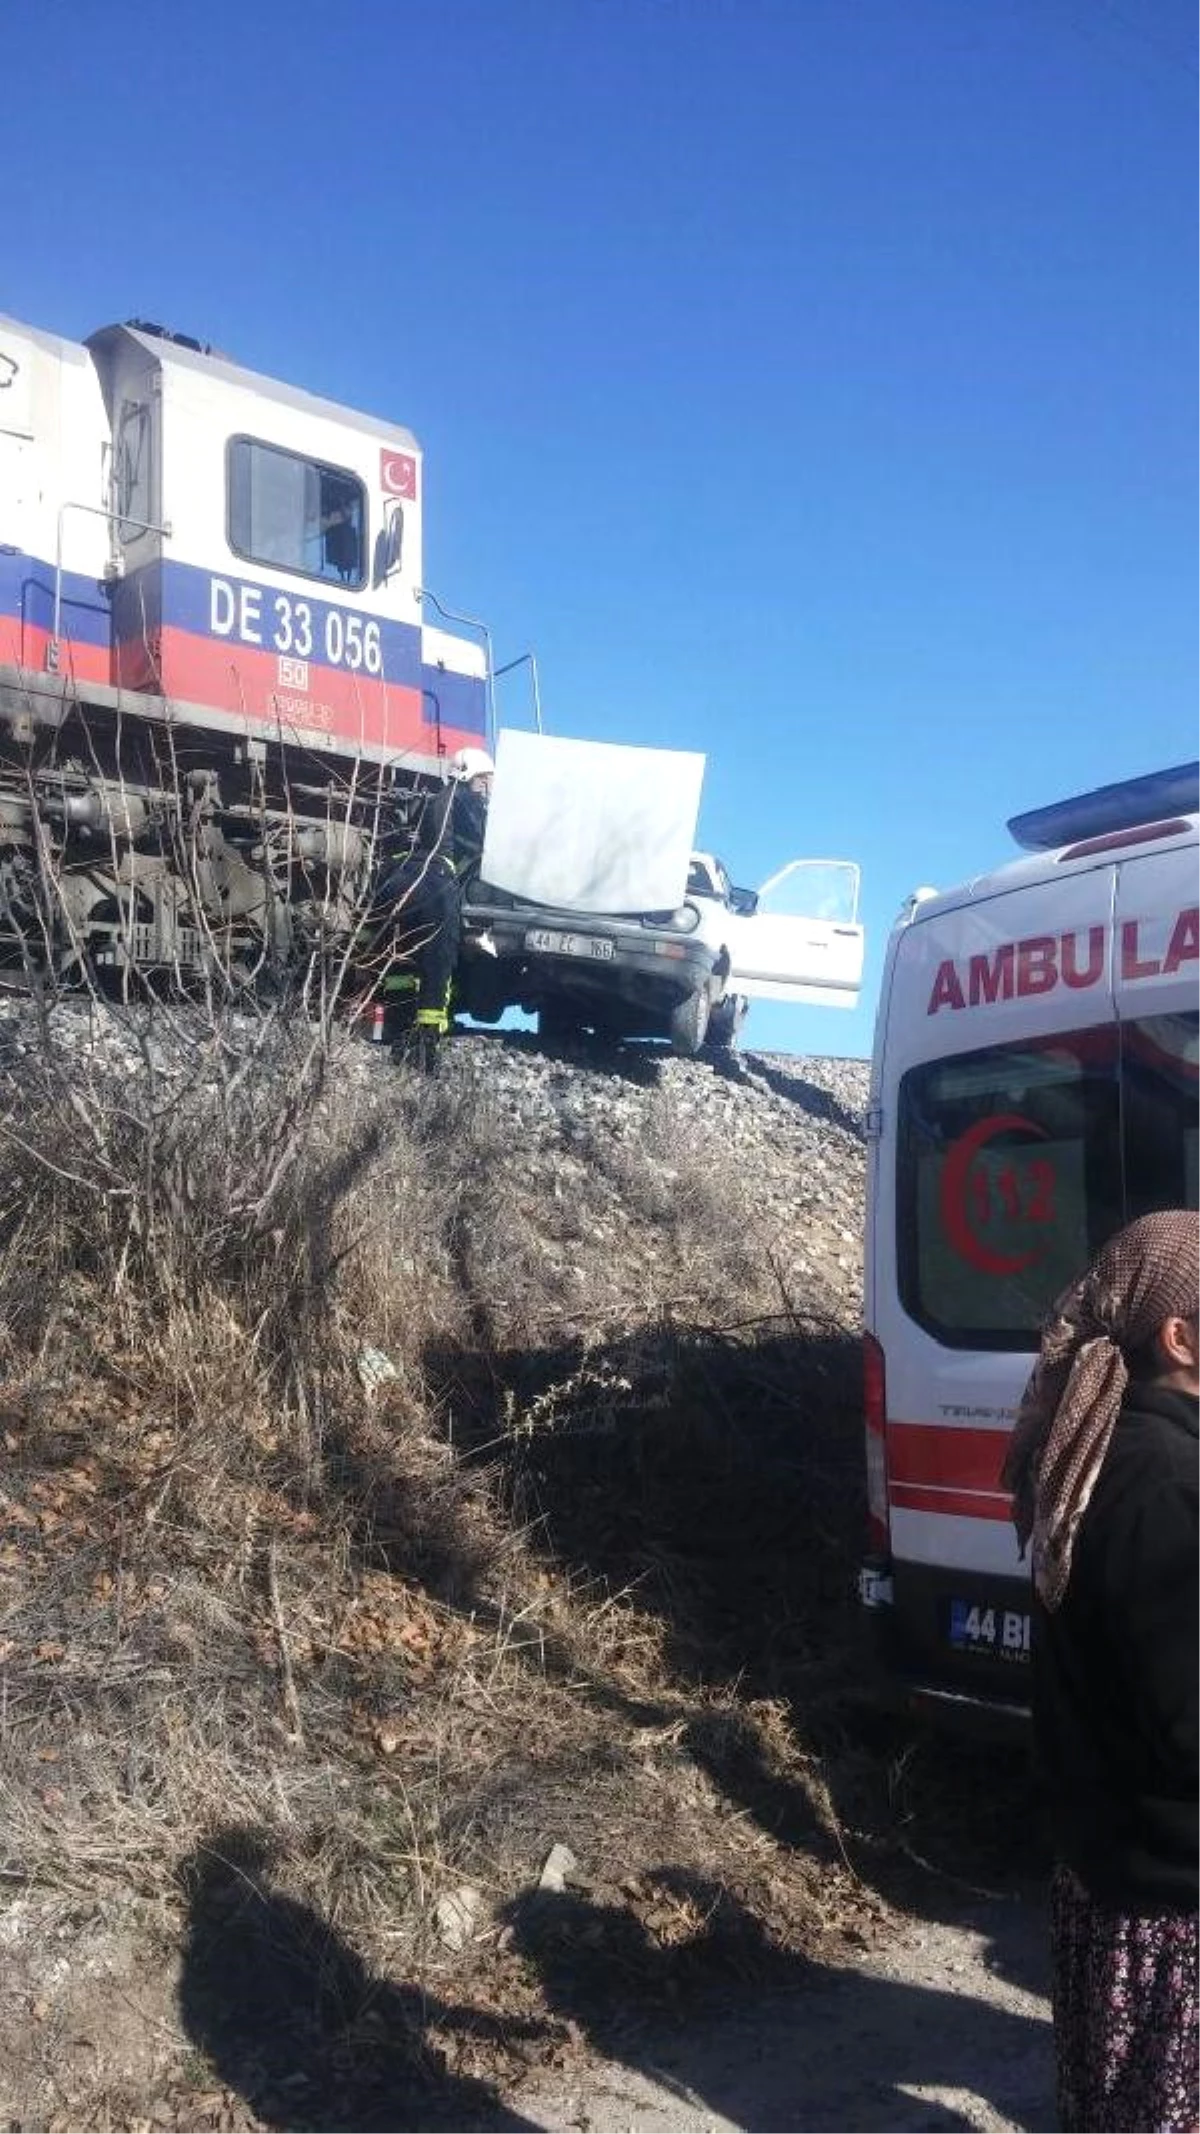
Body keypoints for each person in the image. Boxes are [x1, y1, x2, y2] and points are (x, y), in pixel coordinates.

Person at [1003, 1210, 1200, 2132]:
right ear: (1181, 1336)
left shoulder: (1112, 1457)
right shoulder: (1160, 1477)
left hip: (1119, 1869)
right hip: (1173, 1897)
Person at [375, 746, 493, 1061]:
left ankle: (397, 1030)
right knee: (438, 961)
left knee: (401, 958)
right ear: (474, 777)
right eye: (486, 780)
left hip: (398, 878)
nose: (487, 788)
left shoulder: (431, 799)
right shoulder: (464, 800)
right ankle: (426, 1043)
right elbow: (478, 841)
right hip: (435, 882)